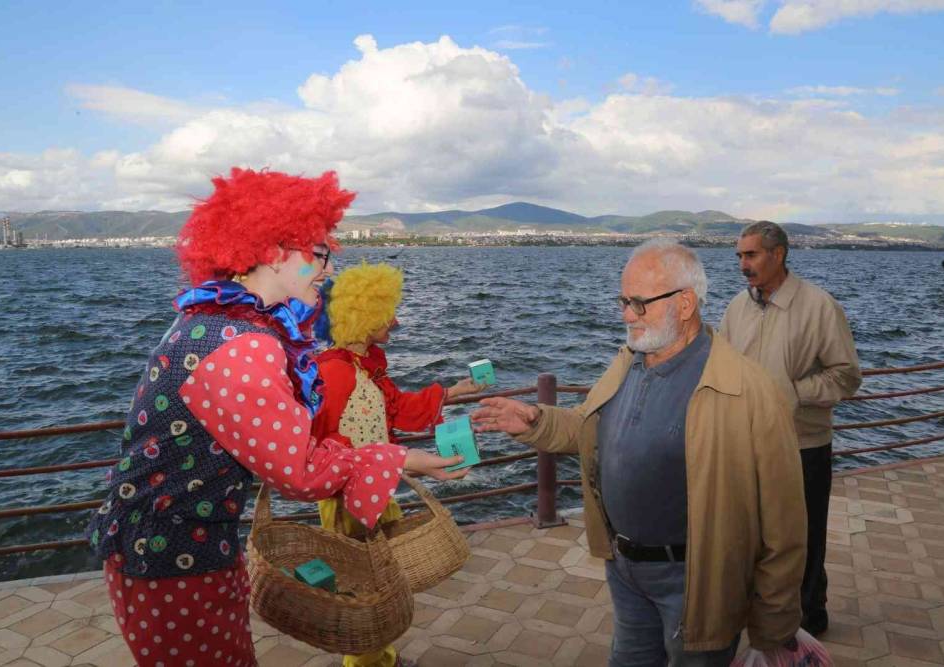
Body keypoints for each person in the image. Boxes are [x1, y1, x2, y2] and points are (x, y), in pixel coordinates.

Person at [85, 168, 467, 667]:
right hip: (172, 556)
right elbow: (301, 473)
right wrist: (403, 460)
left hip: (156, 548)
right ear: (272, 251)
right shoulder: (246, 346)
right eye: (320, 253)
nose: (328, 268)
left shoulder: (206, 322)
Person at [472, 240, 807, 667]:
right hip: (625, 570)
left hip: (694, 582)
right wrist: (536, 421)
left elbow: (784, 521)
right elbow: (590, 429)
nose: (627, 315)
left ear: (685, 304)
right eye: (624, 301)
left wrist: (774, 623)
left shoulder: (748, 390)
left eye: (640, 303)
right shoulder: (628, 361)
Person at [310, 261, 481, 667]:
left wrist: (450, 392)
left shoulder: (362, 365)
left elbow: (397, 409)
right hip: (346, 496)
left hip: (373, 488)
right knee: (362, 584)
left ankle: (378, 656)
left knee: (377, 579)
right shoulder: (334, 373)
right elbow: (317, 442)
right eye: (386, 314)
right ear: (363, 318)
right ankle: (367, 662)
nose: (395, 321)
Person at [720, 220, 862, 637]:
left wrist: (793, 392)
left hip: (803, 446)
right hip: (746, 446)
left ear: (778, 254)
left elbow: (846, 376)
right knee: (751, 539)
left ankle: (808, 623)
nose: (743, 265)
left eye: (751, 255)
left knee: (802, 540)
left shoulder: (820, 306)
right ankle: (759, 618)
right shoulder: (736, 308)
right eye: (739, 256)